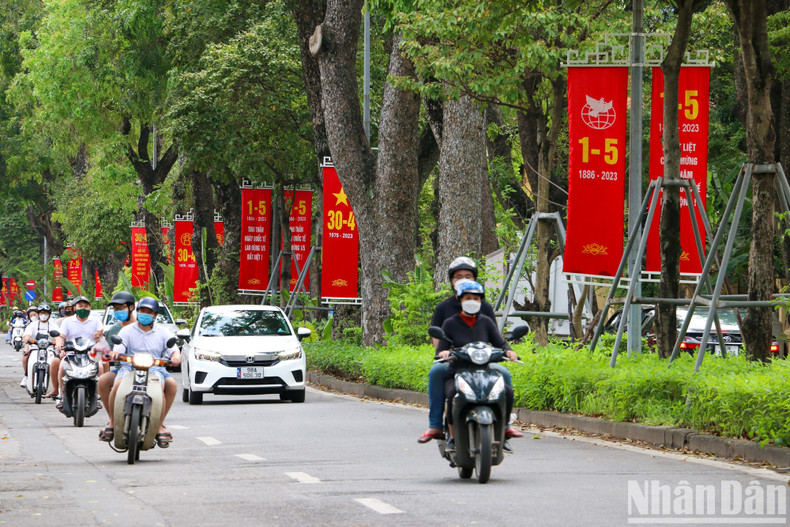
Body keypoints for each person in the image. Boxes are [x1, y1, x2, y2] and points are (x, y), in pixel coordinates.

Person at [418, 257, 524, 444]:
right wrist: (444, 353)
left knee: (504, 374)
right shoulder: (444, 309)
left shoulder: (486, 310)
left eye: (468, 276)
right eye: (458, 277)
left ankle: (504, 426)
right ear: (452, 281)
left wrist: (507, 351)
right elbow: (438, 337)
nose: (463, 279)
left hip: (482, 359)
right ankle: (435, 425)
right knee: (437, 371)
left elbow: (496, 338)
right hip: (455, 361)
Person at [435, 280, 518, 452]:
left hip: (484, 372)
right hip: (457, 372)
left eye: (476, 298)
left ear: (481, 301)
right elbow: (442, 347)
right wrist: (443, 353)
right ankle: (452, 437)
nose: (472, 301)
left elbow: (500, 343)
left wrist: (509, 352)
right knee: (452, 394)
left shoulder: (486, 322)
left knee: (507, 391)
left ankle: (504, 431)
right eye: (467, 298)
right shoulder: (450, 323)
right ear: (460, 300)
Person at [106, 297, 181, 448]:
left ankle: (159, 425)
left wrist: (175, 357)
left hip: (155, 368)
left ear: (155, 315)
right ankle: (113, 422)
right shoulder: (127, 330)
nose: (145, 314)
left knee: (164, 387)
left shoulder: (163, 332)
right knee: (118, 384)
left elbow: (174, 351)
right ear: (137, 311)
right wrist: (116, 354)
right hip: (130, 367)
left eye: (149, 312)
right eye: (142, 311)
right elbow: (119, 347)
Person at [97, 291, 137, 441]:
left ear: (131, 307)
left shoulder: (143, 326)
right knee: (103, 381)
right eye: (116, 308)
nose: (118, 311)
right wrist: (99, 341)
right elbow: (105, 356)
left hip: (147, 369)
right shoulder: (114, 330)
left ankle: (159, 423)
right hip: (123, 369)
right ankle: (112, 420)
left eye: (122, 307)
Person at [47, 296, 104, 402]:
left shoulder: (96, 321)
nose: (83, 308)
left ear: (90, 308)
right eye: (80, 306)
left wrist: (99, 337)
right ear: (74, 308)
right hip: (71, 353)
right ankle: (62, 395)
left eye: (86, 306)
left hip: (90, 353)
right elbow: (62, 336)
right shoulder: (67, 321)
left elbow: (100, 335)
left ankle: (96, 396)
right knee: (62, 367)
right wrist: (60, 345)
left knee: (100, 367)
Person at [20, 304, 55, 388]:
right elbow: (27, 335)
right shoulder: (32, 325)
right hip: (35, 348)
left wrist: (58, 343)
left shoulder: (53, 325)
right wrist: (26, 339)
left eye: (45, 313)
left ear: (49, 315)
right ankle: (27, 375)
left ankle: (55, 382)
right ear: (39, 314)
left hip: (49, 349)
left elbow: (58, 336)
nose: (43, 315)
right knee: (25, 357)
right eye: (41, 313)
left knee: (56, 361)